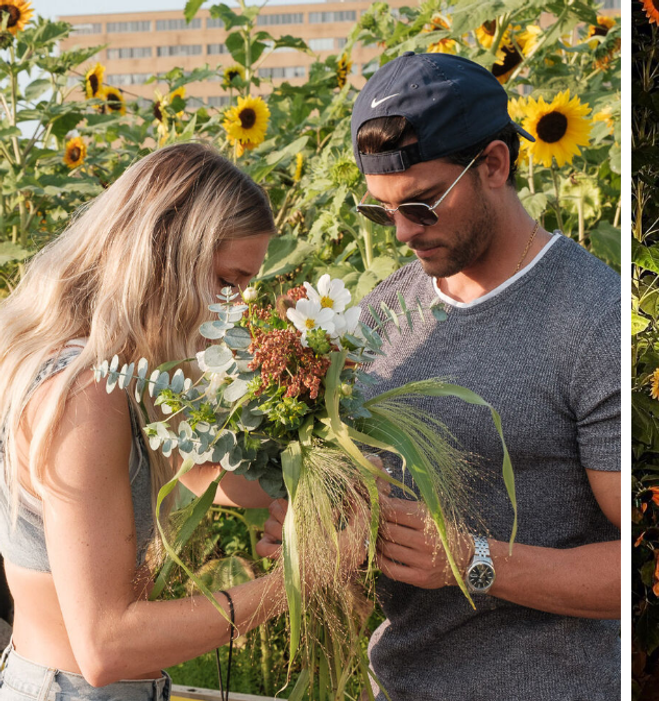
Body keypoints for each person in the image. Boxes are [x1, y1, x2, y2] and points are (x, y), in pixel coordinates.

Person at [267, 51, 621, 699]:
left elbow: (638, 568)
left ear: (492, 164)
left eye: (422, 206)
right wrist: (310, 522)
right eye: (381, 212)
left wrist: (472, 562)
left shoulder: (594, 319)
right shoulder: (379, 316)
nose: (402, 231)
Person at [0, 142, 288, 700]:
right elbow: (107, 646)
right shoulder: (86, 393)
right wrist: (300, 585)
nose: (236, 310)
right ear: (166, 255)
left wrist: (307, 481)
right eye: (227, 284)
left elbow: (198, 472)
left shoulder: (87, 364)